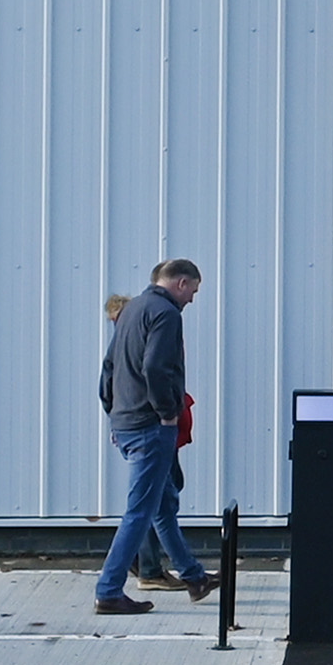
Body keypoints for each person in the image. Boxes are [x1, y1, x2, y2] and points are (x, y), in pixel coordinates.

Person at [95, 257, 212, 617]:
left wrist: (115, 413)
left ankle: (194, 577)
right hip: (150, 426)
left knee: (161, 504)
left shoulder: (131, 311)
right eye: (193, 289)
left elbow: (109, 368)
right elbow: (156, 367)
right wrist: (167, 414)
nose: (192, 298)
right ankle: (109, 590)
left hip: (128, 423)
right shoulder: (165, 313)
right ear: (180, 282)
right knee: (140, 511)